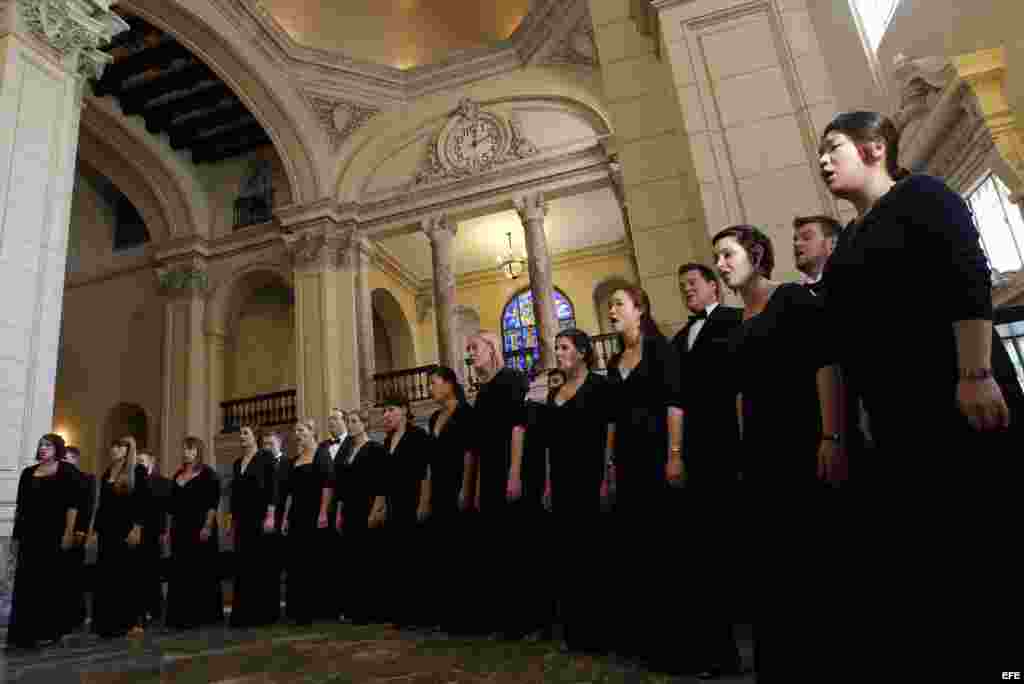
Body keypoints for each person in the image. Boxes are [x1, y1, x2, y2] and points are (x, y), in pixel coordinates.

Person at [817, 110, 1024, 678]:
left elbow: (969, 278)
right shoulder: (847, 246)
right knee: (935, 564)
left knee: (991, 547)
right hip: (898, 424)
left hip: (959, 399)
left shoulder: (923, 197)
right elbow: (838, 344)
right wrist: (840, 430)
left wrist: (974, 373)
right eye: (821, 153)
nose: (824, 161)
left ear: (874, 147)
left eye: (834, 147)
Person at [712, 225, 843, 683]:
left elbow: (825, 364)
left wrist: (832, 436)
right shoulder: (736, 322)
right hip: (760, 454)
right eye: (717, 258)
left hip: (803, 442)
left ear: (756, 254)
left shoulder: (791, 299)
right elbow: (739, 395)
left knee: (810, 562)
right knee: (772, 570)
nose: (720, 265)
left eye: (728, 255)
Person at [604, 287, 685, 672]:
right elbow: (612, 419)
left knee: (663, 548)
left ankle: (673, 644)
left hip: (657, 456)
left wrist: (675, 454)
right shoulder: (614, 361)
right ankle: (644, 641)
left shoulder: (659, 350)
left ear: (640, 310)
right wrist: (609, 463)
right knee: (635, 549)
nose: (612, 310)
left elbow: (675, 404)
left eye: (618, 304)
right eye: (610, 305)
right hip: (626, 462)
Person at [669, 264, 744, 679]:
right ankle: (719, 651)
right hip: (697, 454)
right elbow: (676, 398)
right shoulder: (681, 338)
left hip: (733, 445)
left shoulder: (735, 320)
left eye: (693, 284)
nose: (686, 291)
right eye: (682, 287)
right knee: (709, 555)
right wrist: (676, 452)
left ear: (714, 286)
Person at [544, 329, 613, 654]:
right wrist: (547, 483)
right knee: (567, 555)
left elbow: (610, 430)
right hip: (561, 481)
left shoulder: (600, 386)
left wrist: (607, 474)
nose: (558, 353)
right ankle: (574, 631)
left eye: (564, 347)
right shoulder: (553, 394)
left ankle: (599, 631)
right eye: (557, 348)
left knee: (593, 554)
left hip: (591, 477)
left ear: (583, 352)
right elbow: (550, 444)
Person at [465, 331, 531, 638]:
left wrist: (514, 472)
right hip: (489, 474)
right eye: (468, 349)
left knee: (515, 546)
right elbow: (478, 446)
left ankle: (522, 620)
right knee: (494, 548)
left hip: (510, 467)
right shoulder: (481, 392)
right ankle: (501, 619)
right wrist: (478, 486)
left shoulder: (513, 379)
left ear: (492, 349)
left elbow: (519, 427)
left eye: (474, 348)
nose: (469, 353)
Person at [6, 434, 80, 649]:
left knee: (48, 583)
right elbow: (21, 508)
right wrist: (15, 538)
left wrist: (68, 532)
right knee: (25, 584)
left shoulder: (66, 471)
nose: (43, 448)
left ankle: (47, 631)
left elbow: (72, 505)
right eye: (41, 445)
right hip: (29, 535)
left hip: (53, 534)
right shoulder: (28, 473)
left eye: (48, 445)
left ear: (57, 448)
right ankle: (21, 634)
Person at [424, 367, 475, 632]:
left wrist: (466, 488)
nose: (429, 388)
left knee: (460, 551)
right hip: (439, 488)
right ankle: (444, 614)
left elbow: (469, 454)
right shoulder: (434, 417)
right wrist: (425, 498)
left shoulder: (465, 412)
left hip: (458, 484)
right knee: (441, 551)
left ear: (449, 384)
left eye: (433, 383)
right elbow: (430, 463)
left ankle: (464, 616)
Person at [90, 436, 150, 639]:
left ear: (127, 450)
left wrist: (137, 527)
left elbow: (143, 501)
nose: (114, 449)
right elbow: (102, 504)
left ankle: (131, 621)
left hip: (127, 529)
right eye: (113, 446)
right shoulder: (107, 472)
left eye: (119, 447)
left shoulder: (137, 471)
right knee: (107, 576)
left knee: (127, 576)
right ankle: (107, 622)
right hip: (108, 531)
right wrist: (95, 530)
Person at [379, 396, 432, 628]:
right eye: (384, 411)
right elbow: (384, 480)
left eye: (390, 410)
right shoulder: (387, 440)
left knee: (415, 560)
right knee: (397, 559)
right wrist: (381, 507)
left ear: (404, 410)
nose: (386, 415)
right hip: (394, 505)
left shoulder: (417, 436)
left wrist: (424, 503)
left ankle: (420, 614)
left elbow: (426, 473)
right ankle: (401, 613)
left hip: (413, 502)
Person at [164, 436, 224, 630]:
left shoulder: (209, 474)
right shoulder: (177, 475)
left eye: (190, 449)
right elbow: (171, 507)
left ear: (198, 451)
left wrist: (207, 526)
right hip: (179, 530)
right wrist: (168, 530)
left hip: (200, 529)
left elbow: (213, 504)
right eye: (184, 449)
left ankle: (202, 615)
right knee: (180, 571)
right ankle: (181, 615)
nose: (186, 453)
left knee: (200, 571)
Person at [333, 409, 387, 625]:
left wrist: (376, 511)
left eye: (354, 421)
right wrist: (339, 512)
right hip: (349, 510)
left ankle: (372, 610)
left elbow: (382, 483)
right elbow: (341, 487)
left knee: (369, 560)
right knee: (351, 561)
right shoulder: (347, 451)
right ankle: (354, 609)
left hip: (368, 508)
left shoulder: (375, 449)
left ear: (365, 424)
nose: (350, 425)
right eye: (348, 421)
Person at [280, 418, 333, 626]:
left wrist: (323, 512)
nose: (298, 434)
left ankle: (315, 610)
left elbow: (328, 485)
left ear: (312, 432)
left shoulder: (322, 454)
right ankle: (298, 610)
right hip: (296, 516)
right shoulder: (295, 459)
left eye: (302, 430)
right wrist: (285, 517)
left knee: (313, 562)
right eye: (296, 431)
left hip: (314, 514)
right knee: (296, 563)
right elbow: (290, 493)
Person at [227, 426, 279, 627]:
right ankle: (243, 613)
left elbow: (273, 488)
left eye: (246, 433)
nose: (242, 436)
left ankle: (261, 614)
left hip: (260, 518)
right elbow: (234, 495)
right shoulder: (237, 463)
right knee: (243, 565)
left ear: (255, 437)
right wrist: (231, 520)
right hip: (242, 520)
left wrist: (271, 516)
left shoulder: (266, 457)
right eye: (240, 434)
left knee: (259, 565)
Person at [317, 408, 350, 620]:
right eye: (329, 419)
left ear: (345, 421)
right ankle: (330, 606)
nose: (331, 422)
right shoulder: (322, 446)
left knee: (344, 558)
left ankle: (347, 605)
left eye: (335, 419)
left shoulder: (353, 443)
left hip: (345, 505)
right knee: (327, 559)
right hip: (324, 507)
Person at [137, 451, 172, 626]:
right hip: (138, 532)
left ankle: (155, 609)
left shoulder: (163, 482)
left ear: (152, 462)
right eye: (138, 461)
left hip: (155, 532)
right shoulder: (134, 480)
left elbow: (166, 510)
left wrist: (165, 531)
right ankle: (141, 609)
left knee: (154, 572)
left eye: (142, 461)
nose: (139, 464)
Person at [62, 445, 94, 632]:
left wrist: (81, 531)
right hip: (57, 531)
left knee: (75, 574)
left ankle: (77, 615)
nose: (64, 462)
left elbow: (87, 507)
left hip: (77, 533)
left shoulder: (86, 478)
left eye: (67, 459)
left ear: (75, 459)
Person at [792, 215, 841, 296]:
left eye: (806, 237)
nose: (796, 244)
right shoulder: (793, 295)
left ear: (832, 243)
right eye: (795, 239)